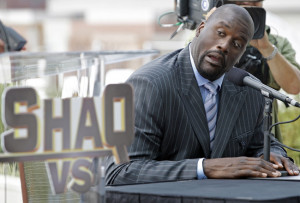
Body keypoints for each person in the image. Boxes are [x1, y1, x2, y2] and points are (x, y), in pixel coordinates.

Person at [105, 4, 299, 186]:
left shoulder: (250, 89)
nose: (224, 45)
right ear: (201, 28)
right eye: (220, 33)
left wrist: (272, 154)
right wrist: (204, 167)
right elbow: (120, 171)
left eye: (237, 44)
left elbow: (259, 144)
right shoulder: (150, 84)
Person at [209, 0, 300, 142]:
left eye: (254, 3)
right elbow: (191, 78)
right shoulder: (207, 38)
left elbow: (294, 86)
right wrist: (212, 32)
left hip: (262, 137)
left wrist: (265, 47)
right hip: (218, 132)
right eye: (240, 4)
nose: (247, 9)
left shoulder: (277, 43)